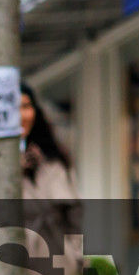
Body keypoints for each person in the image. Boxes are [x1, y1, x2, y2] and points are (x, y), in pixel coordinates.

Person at [19, 87, 82, 253]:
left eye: (25, 106)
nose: (20, 115)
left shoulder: (53, 159)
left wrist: (74, 253)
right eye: (13, 108)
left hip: (56, 257)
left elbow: (72, 210)